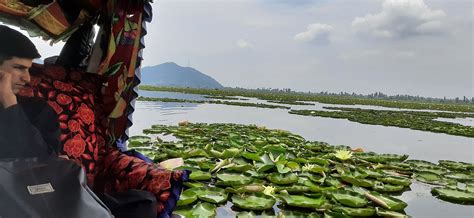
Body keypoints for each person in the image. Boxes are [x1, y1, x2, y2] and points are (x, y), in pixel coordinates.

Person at [0, 25, 61, 158]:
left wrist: (10, 105)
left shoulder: (38, 110)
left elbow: (45, 162)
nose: (27, 78)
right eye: (19, 67)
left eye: (28, 69)